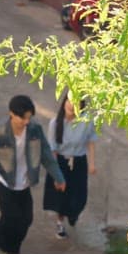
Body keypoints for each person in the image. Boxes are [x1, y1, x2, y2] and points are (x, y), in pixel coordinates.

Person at [0, 94, 66, 254]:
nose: (26, 122)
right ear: (11, 113)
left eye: (29, 118)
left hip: (24, 183)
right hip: (4, 182)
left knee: (26, 219)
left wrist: (58, 177)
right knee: (11, 218)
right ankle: (5, 243)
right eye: (22, 118)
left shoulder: (34, 130)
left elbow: (46, 155)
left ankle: (12, 247)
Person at [43, 91, 97, 239]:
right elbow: (52, 149)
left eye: (76, 103)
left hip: (78, 161)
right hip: (59, 161)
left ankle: (73, 214)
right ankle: (60, 223)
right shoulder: (55, 123)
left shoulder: (87, 121)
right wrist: (56, 175)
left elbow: (91, 142)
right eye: (69, 101)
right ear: (64, 102)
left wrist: (92, 164)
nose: (71, 106)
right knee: (61, 197)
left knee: (80, 197)